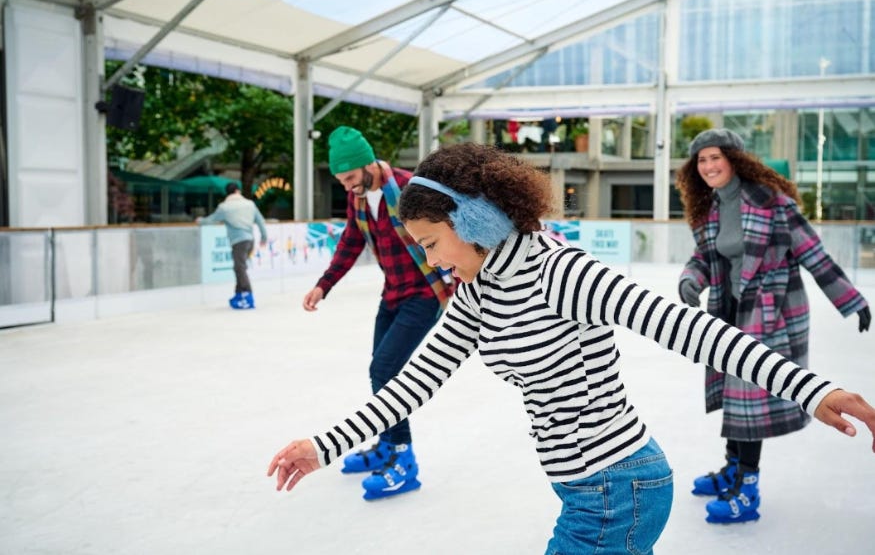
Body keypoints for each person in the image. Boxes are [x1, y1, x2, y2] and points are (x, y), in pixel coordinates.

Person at [268, 143, 875, 554]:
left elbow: (695, 331)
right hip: (590, 488)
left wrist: (812, 388)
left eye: (431, 242)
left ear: (474, 224)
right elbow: (413, 381)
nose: (430, 260)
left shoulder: (563, 273)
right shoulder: (478, 289)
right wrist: (322, 447)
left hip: (617, 490)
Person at [674, 127, 871, 524]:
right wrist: (690, 280)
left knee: (748, 398)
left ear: (735, 159)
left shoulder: (773, 204)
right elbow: (704, 257)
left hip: (769, 316)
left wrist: (853, 302)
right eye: (702, 160)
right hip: (728, 311)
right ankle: (733, 468)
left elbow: (815, 255)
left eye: (716, 157)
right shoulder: (712, 207)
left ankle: (747, 488)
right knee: (734, 395)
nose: (709, 166)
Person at [301, 126, 453, 501]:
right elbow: (351, 243)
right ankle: (386, 444)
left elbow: (446, 230)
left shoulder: (407, 189)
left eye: (350, 177)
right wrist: (324, 284)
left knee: (385, 369)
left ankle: (404, 460)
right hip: (394, 293)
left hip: (425, 292)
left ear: (368, 163)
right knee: (379, 368)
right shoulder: (358, 200)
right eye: (340, 180)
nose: (346, 185)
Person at [197, 182, 268, 309]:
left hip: (238, 241)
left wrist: (199, 221)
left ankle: (248, 295)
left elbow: (211, 220)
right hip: (250, 240)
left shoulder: (225, 207)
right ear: (238, 191)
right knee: (239, 268)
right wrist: (264, 237)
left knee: (240, 268)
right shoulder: (249, 204)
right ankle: (239, 294)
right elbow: (260, 220)